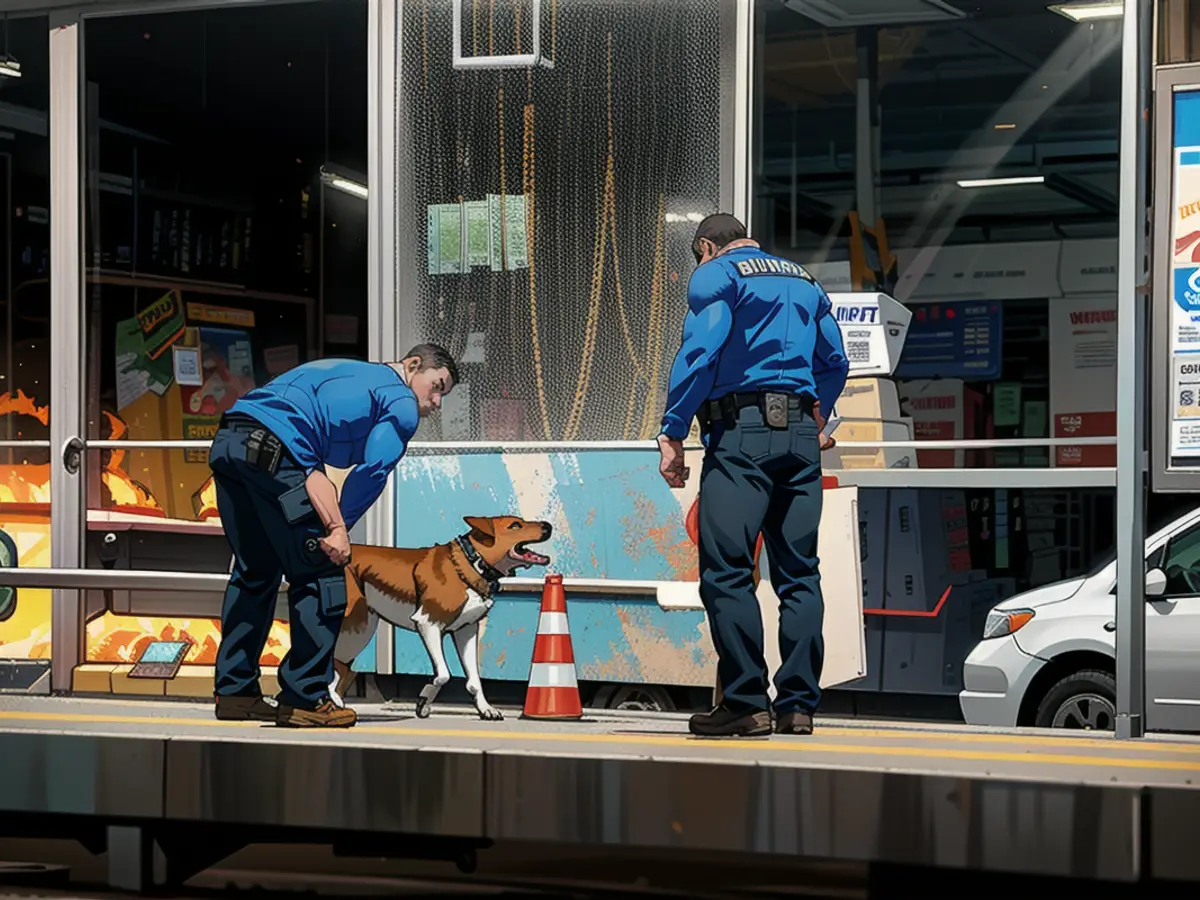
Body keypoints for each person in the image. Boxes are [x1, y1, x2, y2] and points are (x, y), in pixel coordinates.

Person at [656, 214, 848, 739]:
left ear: (705, 246)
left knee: (728, 572)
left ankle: (744, 702)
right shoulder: (804, 280)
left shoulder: (719, 274)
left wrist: (672, 431)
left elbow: (701, 351)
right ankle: (798, 706)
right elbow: (835, 360)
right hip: (801, 442)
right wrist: (817, 416)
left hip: (742, 434)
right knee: (799, 575)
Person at [208, 344, 458, 728]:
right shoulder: (400, 400)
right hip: (277, 448)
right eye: (437, 385)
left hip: (231, 440)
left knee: (254, 572)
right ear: (412, 366)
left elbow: (308, 464)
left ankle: (236, 692)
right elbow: (373, 469)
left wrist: (331, 520)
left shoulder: (347, 372)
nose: (437, 401)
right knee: (321, 570)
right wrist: (338, 531)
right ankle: (306, 695)